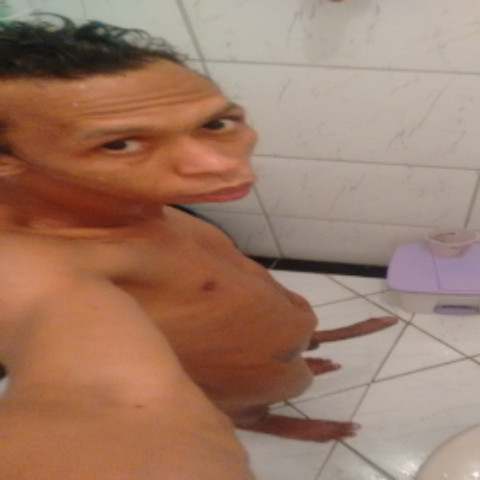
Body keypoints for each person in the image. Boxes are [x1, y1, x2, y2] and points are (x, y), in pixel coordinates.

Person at [0, 16, 397, 479]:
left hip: (267, 349)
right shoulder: (35, 264)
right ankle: (258, 420)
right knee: (248, 405)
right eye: (120, 144)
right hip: (234, 386)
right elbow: (106, 406)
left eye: (216, 123)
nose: (220, 164)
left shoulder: (131, 200)